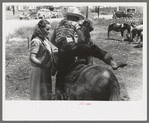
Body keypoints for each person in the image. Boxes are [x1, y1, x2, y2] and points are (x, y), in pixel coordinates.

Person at [51, 7, 127, 99]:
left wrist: (61, 47)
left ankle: (59, 93)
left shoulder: (58, 26)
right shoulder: (74, 24)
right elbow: (82, 39)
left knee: (61, 72)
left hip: (62, 51)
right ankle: (112, 62)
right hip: (72, 47)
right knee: (93, 48)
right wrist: (78, 43)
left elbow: (52, 41)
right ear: (74, 17)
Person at [29, 19, 58, 100]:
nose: (49, 31)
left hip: (45, 69)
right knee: (38, 94)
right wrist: (43, 65)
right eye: (47, 29)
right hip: (39, 70)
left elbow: (55, 49)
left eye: (50, 29)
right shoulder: (36, 41)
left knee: (45, 93)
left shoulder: (44, 39)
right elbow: (32, 58)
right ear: (40, 29)